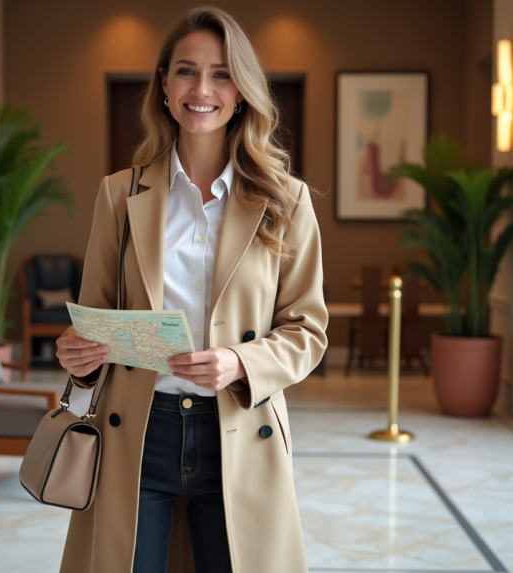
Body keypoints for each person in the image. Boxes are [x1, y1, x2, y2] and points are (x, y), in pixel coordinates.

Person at [55, 6, 327, 573]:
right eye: (185, 71)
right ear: (162, 84)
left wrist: (239, 361)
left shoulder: (287, 200)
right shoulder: (117, 195)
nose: (202, 88)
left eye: (222, 73)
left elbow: (308, 331)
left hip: (237, 428)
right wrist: (79, 358)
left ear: (243, 90)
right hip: (137, 431)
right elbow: (95, 321)